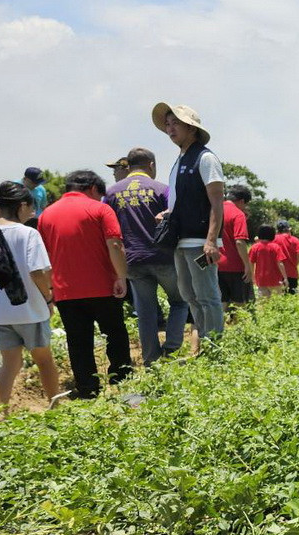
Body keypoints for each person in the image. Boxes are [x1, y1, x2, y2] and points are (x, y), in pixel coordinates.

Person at [37, 170, 132, 399]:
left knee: (78, 342)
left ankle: (88, 389)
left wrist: (51, 288)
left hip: (66, 291)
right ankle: (122, 383)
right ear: (92, 189)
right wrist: (121, 276)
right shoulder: (100, 209)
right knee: (115, 334)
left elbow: (44, 256)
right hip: (103, 286)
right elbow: (115, 244)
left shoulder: (46, 215)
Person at [104, 147, 190, 365]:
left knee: (146, 312)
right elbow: (177, 217)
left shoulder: (111, 193)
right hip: (163, 258)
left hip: (131, 261)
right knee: (179, 302)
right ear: (151, 165)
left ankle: (151, 360)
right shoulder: (162, 189)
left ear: (129, 165)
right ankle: (171, 351)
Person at [152, 101, 225, 341]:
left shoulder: (205, 159)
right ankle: (205, 339)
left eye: (177, 124)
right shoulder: (180, 160)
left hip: (200, 241)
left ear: (192, 128)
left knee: (207, 295)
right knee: (188, 294)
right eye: (168, 124)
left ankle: (217, 346)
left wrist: (211, 241)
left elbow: (216, 202)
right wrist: (169, 214)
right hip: (181, 241)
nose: (170, 129)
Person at [0, 182, 62, 405]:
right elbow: (37, 271)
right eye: (31, 206)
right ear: (21, 206)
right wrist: (48, 297)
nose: (33, 212)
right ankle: (55, 408)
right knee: (44, 360)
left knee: (10, 365)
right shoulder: (28, 233)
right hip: (30, 310)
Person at [219, 185, 255, 312]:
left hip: (215, 264)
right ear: (241, 201)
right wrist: (247, 266)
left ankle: (217, 330)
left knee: (222, 301)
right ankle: (237, 329)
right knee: (239, 302)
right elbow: (239, 242)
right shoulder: (238, 214)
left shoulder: (214, 209)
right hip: (234, 265)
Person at [248, 224, 289, 301]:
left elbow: (251, 262)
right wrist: (285, 278)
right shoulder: (276, 247)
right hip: (275, 280)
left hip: (261, 280)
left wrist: (252, 277)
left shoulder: (255, 247)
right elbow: (280, 263)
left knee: (263, 303)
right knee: (276, 303)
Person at [275, 220, 299, 294]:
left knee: (278, 297)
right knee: (292, 296)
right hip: (292, 273)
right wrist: (294, 265)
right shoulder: (295, 240)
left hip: (277, 273)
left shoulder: (273, 239)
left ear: (277, 230)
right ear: (289, 229)